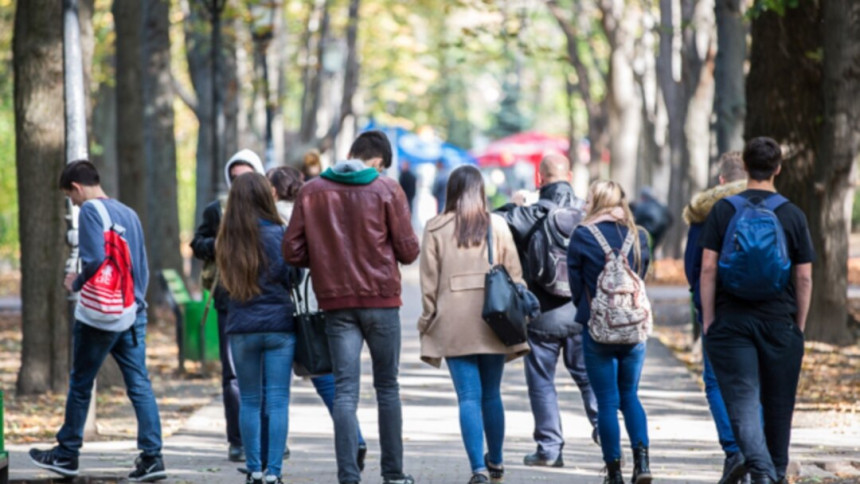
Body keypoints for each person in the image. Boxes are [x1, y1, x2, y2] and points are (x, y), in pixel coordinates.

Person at [282, 130, 420, 484]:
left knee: (345, 390)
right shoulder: (387, 189)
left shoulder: (312, 191)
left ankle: (348, 476)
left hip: (336, 303)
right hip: (382, 300)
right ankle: (393, 473)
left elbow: (292, 251)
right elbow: (408, 251)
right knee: (387, 386)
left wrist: (326, 260)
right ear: (376, 161)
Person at [30, 161, 166, 482]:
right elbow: (141, 266)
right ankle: (152, 457)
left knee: (80, 383)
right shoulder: (129, 214)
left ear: (77, 187)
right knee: (139, 385)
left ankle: (66, 453)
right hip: (132, 312)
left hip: (100, 318)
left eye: (70, 196)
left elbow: (93, 260)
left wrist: (75, 282)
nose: (73, 203)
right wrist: (136, 305)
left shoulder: (90, 211)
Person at [699, 137, 814, 484]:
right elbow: (805, 277)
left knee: (743, 404)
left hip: (732, 321)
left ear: (745, 167)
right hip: (780, 320)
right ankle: (774, 472)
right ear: (778, 168)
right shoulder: (793, 214)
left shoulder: (723, 210)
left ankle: (762, 472)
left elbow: (707, 268)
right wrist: (798, 325)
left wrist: (708, 320)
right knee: (780, 405)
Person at [418, 165, 530, 484]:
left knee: (468, 395)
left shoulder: (436, 227)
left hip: (453, 320)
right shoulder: (496, 224)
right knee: (491, 394)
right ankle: (495, 461)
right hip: (494, 317)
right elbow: (515, 273)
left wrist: (427, 320)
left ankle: (477, 469)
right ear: (480, 191)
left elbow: (429, 282)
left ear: (451, 191)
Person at [495, 154, 599, 467]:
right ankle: (606, 433)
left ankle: (549, 450)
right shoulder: (587, 210)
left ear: (539, 179)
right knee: (588, 377)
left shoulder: (532, 212)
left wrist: (514, 204)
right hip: (582, 312)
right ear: (568, 174)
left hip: (541, 314)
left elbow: (492, 222)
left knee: (542, 382)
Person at [266, 166, 369, 471]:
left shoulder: (272, 220)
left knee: (274, 387)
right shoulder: (315, 211)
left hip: (283, 307)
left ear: (273, 191)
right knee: (324, 376)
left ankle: (271, 455)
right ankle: (356, 438)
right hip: (316, 306)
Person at [567, 180, 652, 484]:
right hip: (633, 330)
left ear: (598, 202)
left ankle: (613, 471)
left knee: (606, 402)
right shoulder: (639, 235)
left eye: (589, 199)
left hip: (598, 329)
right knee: (630, 395)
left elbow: (575, 285)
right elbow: (640, 275)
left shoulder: (582, 235)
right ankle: (642, 462)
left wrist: (590, 310)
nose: (585, 205)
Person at [217, 172, 298, 484]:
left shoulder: (227, 238)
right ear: (267, 196)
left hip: (241, 326)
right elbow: (294, 277)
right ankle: (273, 472)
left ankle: (252, 469)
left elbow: (224, 283)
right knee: (277, 400)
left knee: (249, 400)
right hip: (279, 326)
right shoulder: (280, 232)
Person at [190, 149, 266, 462]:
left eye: (246, 177)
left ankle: (269, 438)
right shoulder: (216, 210)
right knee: (233, 374)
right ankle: (237, 441)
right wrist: (219, 245)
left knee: (266, 374)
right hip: (227, 300)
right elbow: (197, 244)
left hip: (264, 301)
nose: (240, 184)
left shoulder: (269, 209)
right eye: (235, 178)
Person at [683, 151, 749, 483]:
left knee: (715, 381)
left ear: (721, 179)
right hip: (760, 308)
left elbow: (693, 267)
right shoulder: (769, 206)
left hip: (716, 309)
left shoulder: (704, 213)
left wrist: (702, 304)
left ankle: (734, 450)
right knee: (754, 381)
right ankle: (756, 454)